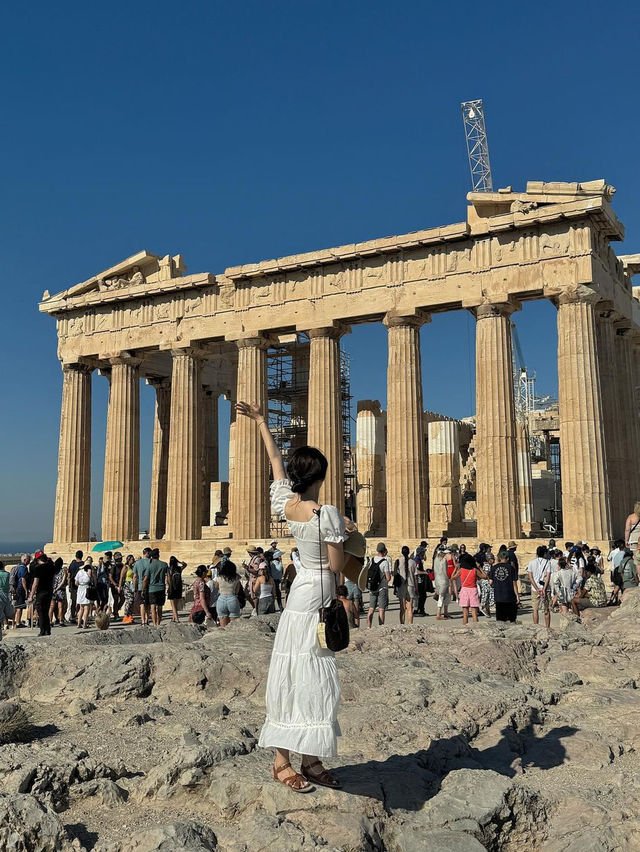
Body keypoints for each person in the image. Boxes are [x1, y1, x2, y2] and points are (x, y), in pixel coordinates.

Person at [237, 400, 347, 793]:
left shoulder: (288, 505)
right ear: (322, 476)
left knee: (295, 674)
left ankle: (303, 759)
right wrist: (347, 537)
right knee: (313, 676)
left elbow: (275, 464)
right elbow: (335, 566)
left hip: (299, 595)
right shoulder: (326, 514)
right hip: (317, 593)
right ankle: (290, 761)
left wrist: (263, 422)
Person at [28, 551, 59, 637]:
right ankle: (48, 630)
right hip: (49, 591)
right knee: (46, 610)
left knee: (41, 612)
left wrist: (31, 596)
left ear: (37, 559)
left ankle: (42, 630)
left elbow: (35, 583)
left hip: (41, 592)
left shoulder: (38, 568)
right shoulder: (51, 567)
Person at [452, 553, 486, 625]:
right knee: (474, 613)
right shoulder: (474, 570)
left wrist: (455, 568)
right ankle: (476, 628)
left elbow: (452, 577)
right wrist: (479, 567)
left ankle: (465, 629)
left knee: (465, 614)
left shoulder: (461, 570)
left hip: (464, 590)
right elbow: (485, 576)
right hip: (473, 590)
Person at [487, 554, 520, 622]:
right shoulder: (511, 568)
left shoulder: (494, 568)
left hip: (499, 597)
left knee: (500, 621)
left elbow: (490, 582)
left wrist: (497, 585)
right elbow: (514, 583)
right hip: (510, 597)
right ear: (507, 558)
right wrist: (517, 595)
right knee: (511, 620)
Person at [366, 543, 391, 628]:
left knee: (371, 608)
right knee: (381, 609)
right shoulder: (385, 562)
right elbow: (388, 578)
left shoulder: (372, 560)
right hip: (382, 588)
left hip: (372, 587)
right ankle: (381, 627)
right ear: (384, 551)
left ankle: (368, 627)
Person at [527, 545, 552, 628]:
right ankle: (547, 628)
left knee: (535, 609)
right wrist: (544, 589)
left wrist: (537, 588)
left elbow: (530, 577)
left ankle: (536, 627)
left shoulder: (531, 562)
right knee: (546, 609)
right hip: (545, 588)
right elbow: (548, 577)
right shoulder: (548, 562)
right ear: (544, 553)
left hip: (535, 588)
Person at [144, 548, 168, 627]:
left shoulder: (149, 566)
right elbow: (168, 576)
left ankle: (154, 624)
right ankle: (159, 622)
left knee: (153, 607)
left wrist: (143, 588)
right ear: (158, 555)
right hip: (161, 588)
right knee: (160, 607)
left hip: (152, 588)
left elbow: (146, 579)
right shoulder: (164, 564)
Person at [215, 559, 242, 626]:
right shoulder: (236, 577)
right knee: (234, 626)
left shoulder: (219, 577)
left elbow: (216, 586)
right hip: (232, 598)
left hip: (221, 599)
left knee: (223, 626)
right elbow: (237, 591)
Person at [394, 546, 417, 625]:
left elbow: (395, 574)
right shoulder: (413, 562)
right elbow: (415, 576)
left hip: (401, 586)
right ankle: (410, 624)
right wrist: (416, 588)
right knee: (410, 608)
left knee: (402, 608)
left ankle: (402, 624)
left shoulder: (398, 561)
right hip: (411, 585)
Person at [134, 547, 153, 627]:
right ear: (147, 553)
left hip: (140, 586)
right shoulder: (152, 562)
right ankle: (147, 619)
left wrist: (134, 587)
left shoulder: (137, 563)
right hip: (150, 585)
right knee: (148, 604)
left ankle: (143, 621)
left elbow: (135, 576)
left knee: (142, 604)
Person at [167, 556, 186, 623]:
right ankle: (173, 618)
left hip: (172, 588)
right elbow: (185, 565)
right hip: (178, 588)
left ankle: (177, 619)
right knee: (176, 605)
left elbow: (168, 579)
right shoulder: (179, 568)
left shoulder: (169, 569)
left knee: (173, 605)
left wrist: (169, 587)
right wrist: (180, 562)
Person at [433, 548, 451, 619]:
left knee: (445, 596)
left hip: (437, 580)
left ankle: (445, 612)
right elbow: (445, 571)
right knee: (442, 596)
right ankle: (438, 614)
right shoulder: (444, 561)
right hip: (443, 580)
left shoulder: (435, 560)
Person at [49, 559, 68, 626]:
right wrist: (57, 588)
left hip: (53, 590)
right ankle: (60, 620)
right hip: (60, 590)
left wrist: (53, 589)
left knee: (51, 606)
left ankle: (50, 621)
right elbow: (63, 582)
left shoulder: (52, 571)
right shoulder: (63, 571)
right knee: (60, 606)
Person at [75, 560, 93, 629]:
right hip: (86, 589)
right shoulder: (89, 571)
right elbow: (91, 579)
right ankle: (85, 624)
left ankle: (79, 624)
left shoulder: (79, 572)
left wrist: (80, 584)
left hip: (80, 589)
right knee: (86, 608)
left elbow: (76, 582)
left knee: (81, 608)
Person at [67, 550, 84, 623]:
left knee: (73, 601)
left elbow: (69, 576)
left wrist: (69, 585)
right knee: (80, 602)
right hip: (81, 585)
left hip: (73, 584)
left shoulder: (72, 564)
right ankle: (78, 616)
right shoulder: (83, 564)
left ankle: (72, 616)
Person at [119, 554, 136, 624]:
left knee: (132, 601)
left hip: (131, 584)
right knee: (129, 600)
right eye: (132, 559)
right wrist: (120, 587)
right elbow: (121, 577)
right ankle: (126, 615)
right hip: (127, 584)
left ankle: (130, 616)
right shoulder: (125, 567)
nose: (133, 560)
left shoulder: (132, 567)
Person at [478, 552, 495, 617]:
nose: (493, 560)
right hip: (486, 583)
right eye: (492, 559)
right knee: (486, 595)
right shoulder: (487, 566)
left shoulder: (489, 565)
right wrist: (489, 580)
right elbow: (486, 574)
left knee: (487, 596)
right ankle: (483, 607)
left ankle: (487, 611)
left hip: (487, 582)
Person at [110, 552, 124, 620]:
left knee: (122, 599)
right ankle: (115, 613)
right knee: (116, 599)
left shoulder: (122, 566)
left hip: (121, 584)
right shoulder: (114, 567)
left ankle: (116, 610)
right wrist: (115, 584)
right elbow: (110, 577)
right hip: (115, 585)